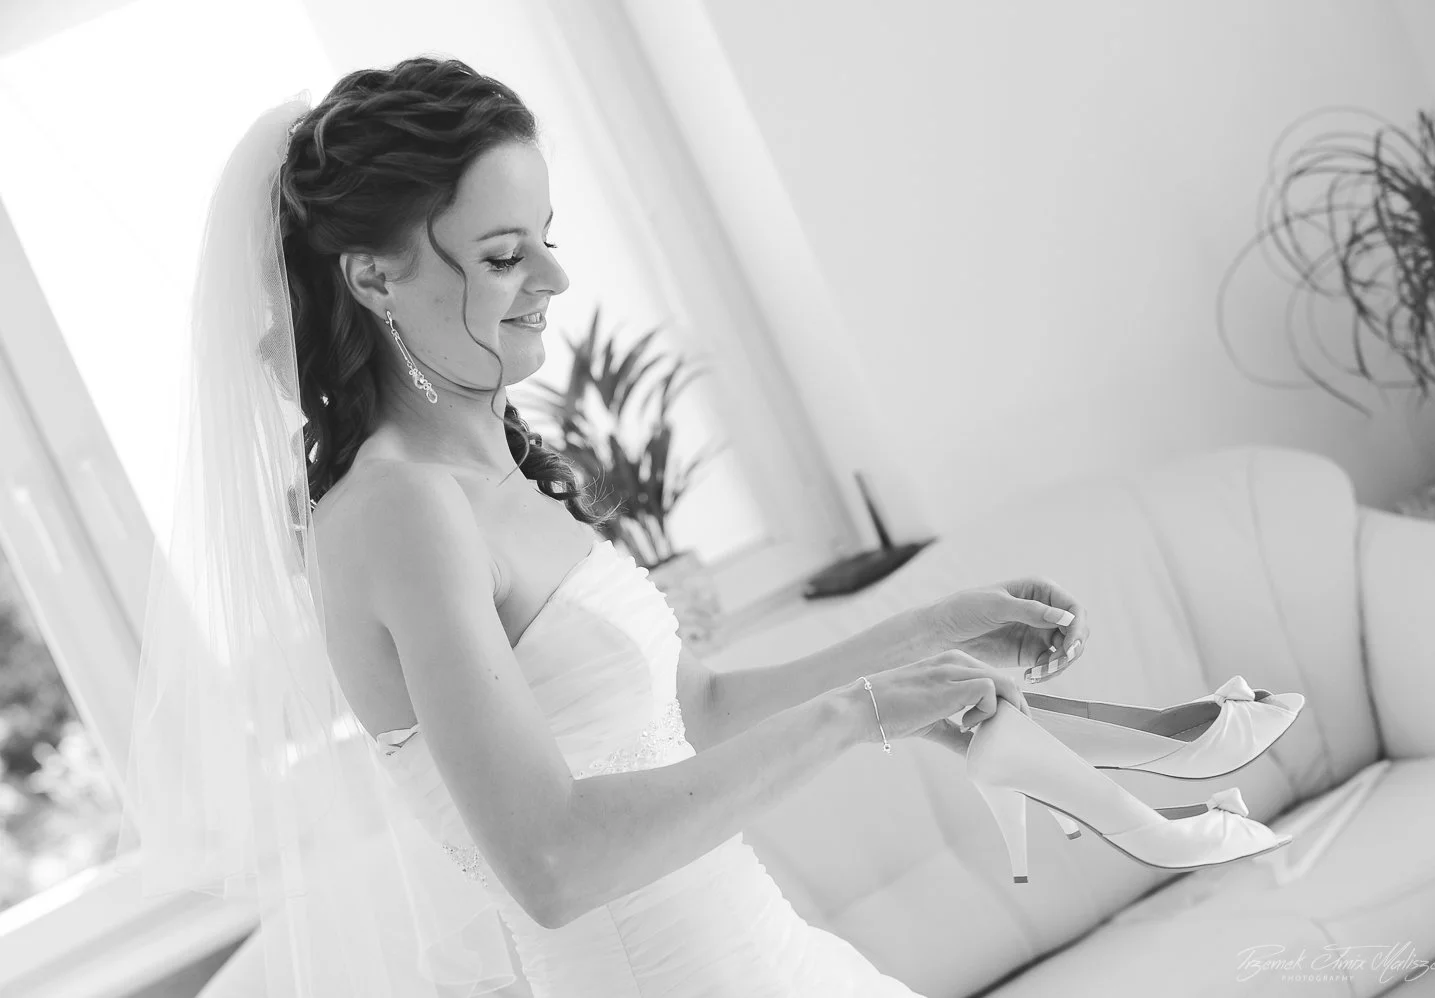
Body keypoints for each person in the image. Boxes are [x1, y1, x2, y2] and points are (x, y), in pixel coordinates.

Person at [121, 55, 1100, 998]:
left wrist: (939, 630)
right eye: (505, 254)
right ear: (374, 282)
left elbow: (698, 710)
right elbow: (553, 859)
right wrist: (864, 711)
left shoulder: (494, 466)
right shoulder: (397, 509)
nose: (554, 275)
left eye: (546, 234)